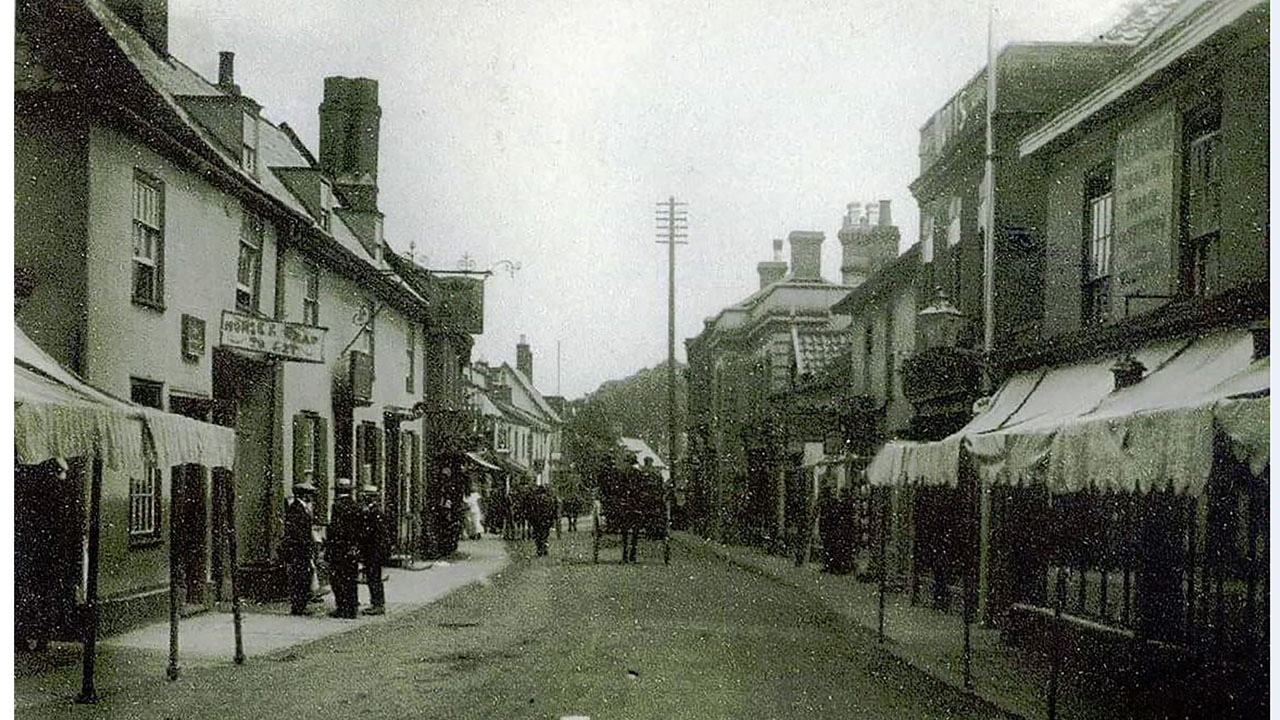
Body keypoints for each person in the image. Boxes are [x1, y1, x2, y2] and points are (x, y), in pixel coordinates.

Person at [327, 478, 361, 619]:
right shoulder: (356, 506)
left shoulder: (337, 506)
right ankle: (352, 608)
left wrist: (330, 546)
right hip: (352, 549)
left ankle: (342, 608)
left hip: (339, 549)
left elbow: (336, 530)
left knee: (338, 579)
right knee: (351, 579)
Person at [283, 481, 318, 616]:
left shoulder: (302, 508)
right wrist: (307, 546)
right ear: (303, 495)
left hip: (302, 550)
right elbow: (298, 533)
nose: (311, 497)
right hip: (299, 550)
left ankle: (301, 605)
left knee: (304, 577)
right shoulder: (296, 509)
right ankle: (298, 607)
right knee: (300, 578)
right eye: (309, 494)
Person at [358, 485, 389, 616]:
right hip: (373, 550)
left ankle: (378, 604)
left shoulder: (375, 513)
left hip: (374, 551)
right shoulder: (373, 511)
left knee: (374, 577)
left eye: (365, 496)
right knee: (373, 577)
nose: (363, 499)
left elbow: (374, 534)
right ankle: (376, 603)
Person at [528, 485, 557, 556]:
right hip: (546, 520)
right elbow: (552, 510)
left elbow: (532, 510)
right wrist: (552, 519)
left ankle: (539, 549)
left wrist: (531, 519)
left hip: (537, 520)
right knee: (545, 535)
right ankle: (545, 548)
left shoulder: (535, 499)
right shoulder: (549, 499)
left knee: (538, 535)